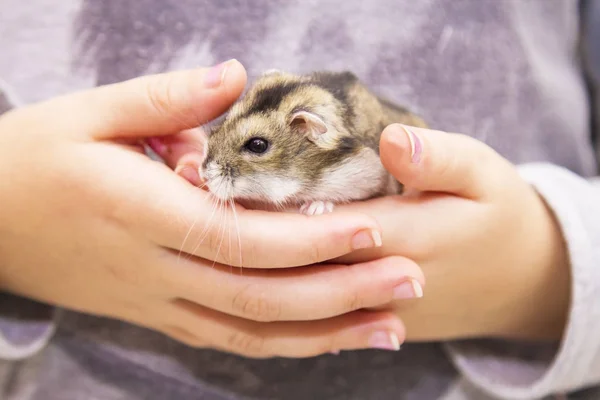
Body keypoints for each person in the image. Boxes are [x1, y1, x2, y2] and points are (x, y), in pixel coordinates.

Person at [0, 1, 599, 399]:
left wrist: (543, 273)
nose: (216, 167)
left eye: (255, 147)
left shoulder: (347, 151)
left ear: (313, 133)